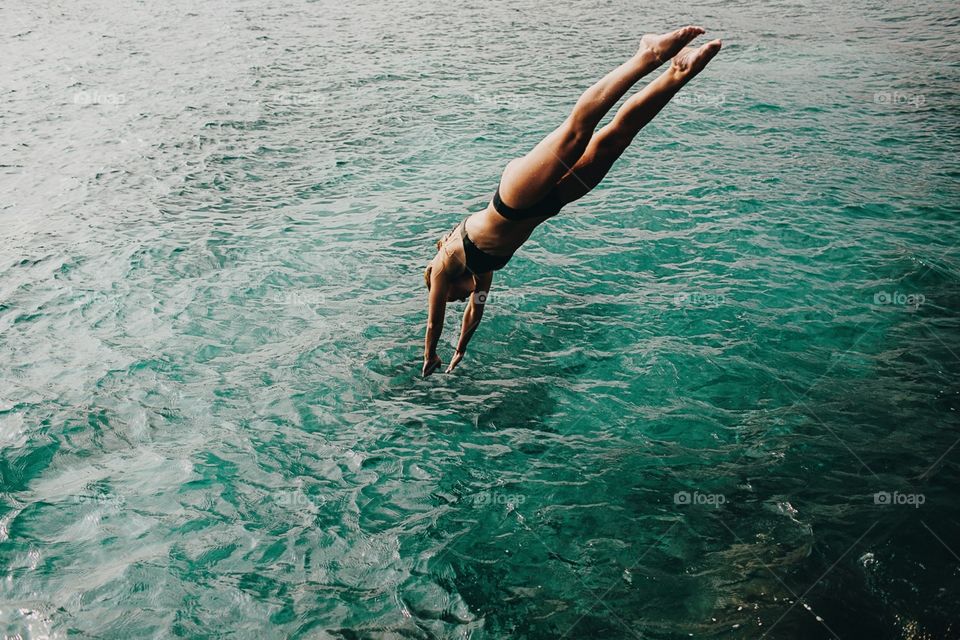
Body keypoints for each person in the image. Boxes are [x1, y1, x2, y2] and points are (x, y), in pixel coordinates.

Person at [422, 27, 722, 377]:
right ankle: (678, 72)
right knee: (614, 141)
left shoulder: (443, 266)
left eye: (451, 299)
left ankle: (647, 55)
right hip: (550, 204)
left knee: (578, 132)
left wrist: (430, 355)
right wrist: (460, 349)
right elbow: (477, 309)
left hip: (513, 199)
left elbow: (433, 323)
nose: (456, 301)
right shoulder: (481, 273)